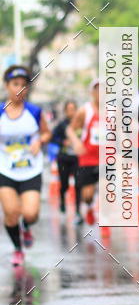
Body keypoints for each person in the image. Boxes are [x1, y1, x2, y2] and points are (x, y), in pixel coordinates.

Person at [0, 65, 51, 265]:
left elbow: (46, 133)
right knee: (11, 213)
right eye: (15, 84)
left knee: (30, 214)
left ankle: (27, 227)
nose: (19, 89)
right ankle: (18, 249)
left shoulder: (34, 111)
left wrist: (40, 141)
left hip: (31, 170)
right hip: (5, 170)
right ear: (7, 86)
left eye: (23, 85)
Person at [67, 79, 100, 226]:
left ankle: (105, 224)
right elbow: (70, 129)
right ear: (92, 93)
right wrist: (76, 142)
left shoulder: (113, 111)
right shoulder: (84, 111)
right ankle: (90, 206)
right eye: (97, 90)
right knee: (87, 195)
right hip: (88, 158)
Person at [50, 100, 80, 214]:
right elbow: (52, 137)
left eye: (73, 109)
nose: (71, 112)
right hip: (64, 158)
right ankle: (62, 200)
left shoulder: (81, 124)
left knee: (78, 184)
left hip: (77, 158)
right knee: (64, 184)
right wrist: (63, 142)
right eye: (69, 110)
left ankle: (78, 210)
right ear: (65, 111)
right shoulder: (62, 125)